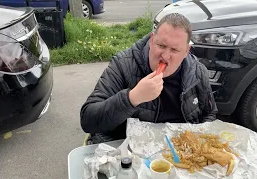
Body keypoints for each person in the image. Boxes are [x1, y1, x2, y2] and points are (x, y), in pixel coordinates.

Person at [80, 13, 218, 144]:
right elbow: (88, 120)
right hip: (127, 151)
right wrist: (132, 98)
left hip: (177, 154)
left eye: (175, 50)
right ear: (152, 40)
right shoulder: (123, 65)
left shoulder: (198, 72)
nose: (165, 56)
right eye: (161, 45)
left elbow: (209, 114)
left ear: (186, 51)